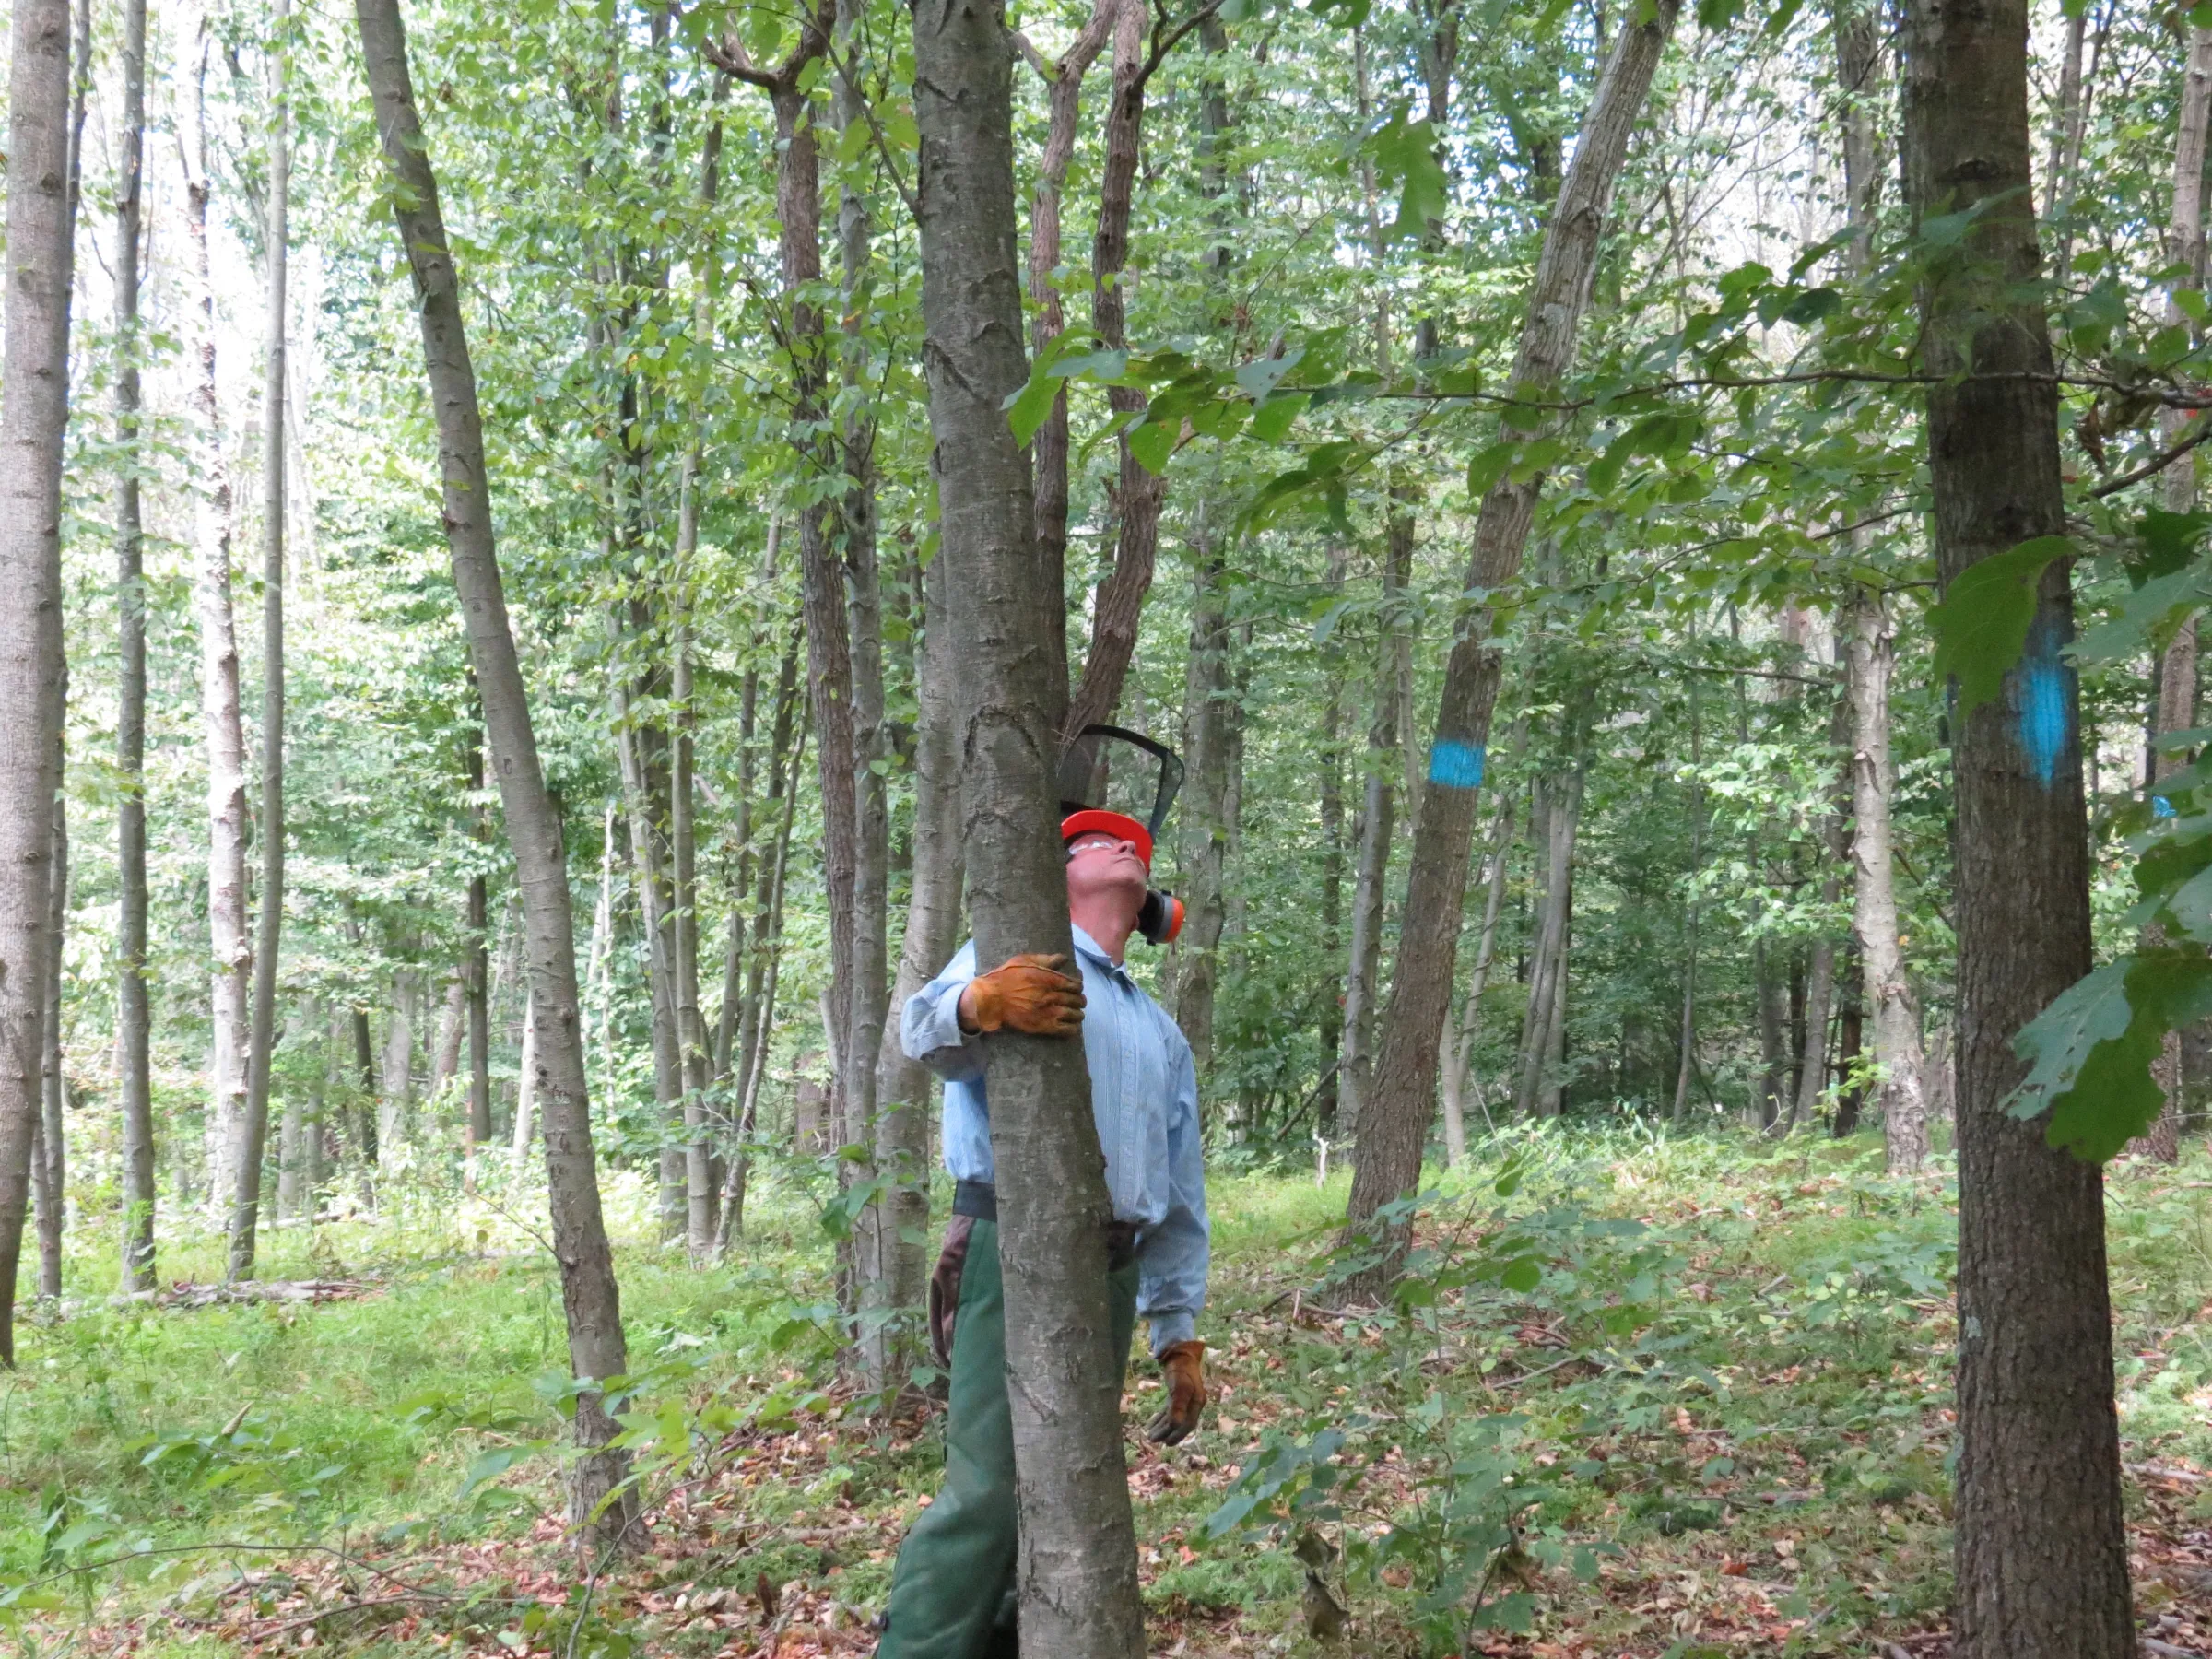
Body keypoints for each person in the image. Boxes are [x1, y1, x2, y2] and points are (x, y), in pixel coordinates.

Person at [873, 809, 1211, 1659]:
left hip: (1115, 1266)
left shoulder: (1159, 1031)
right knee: (990, 1490)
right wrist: (982, 1001)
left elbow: (1178, 1195)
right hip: (1010, 1244)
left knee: (1063, 1489)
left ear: (1151, 902)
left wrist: (1178, 1336)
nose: (1121, 844)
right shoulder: (1018, 957)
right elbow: (922, 1029)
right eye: (1092, 840)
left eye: (1132, 842)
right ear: (1054, 874)